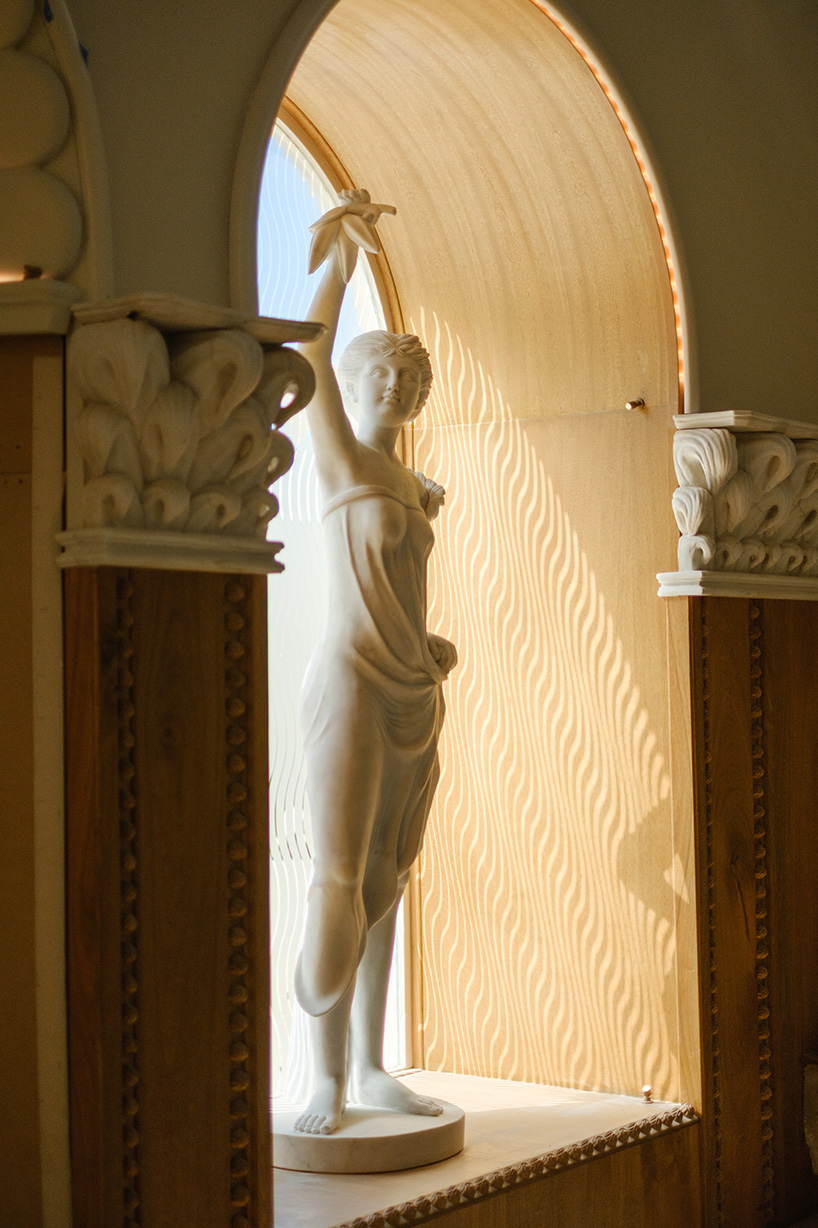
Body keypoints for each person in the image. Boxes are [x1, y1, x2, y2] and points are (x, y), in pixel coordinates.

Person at [292, 191, 457, 1136]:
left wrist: (429, 645)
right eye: (380, 379)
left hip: (413, 689)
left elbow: (398, 583)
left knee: (390, 878)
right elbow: (306, 359)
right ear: (355, 391)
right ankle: (321, 1080)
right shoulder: (343, 463)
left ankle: (368, 1064)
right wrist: (339, 267)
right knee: (338, 873)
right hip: (350, 686)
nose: (393, 393)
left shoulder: (409, 486)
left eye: (408, 384)